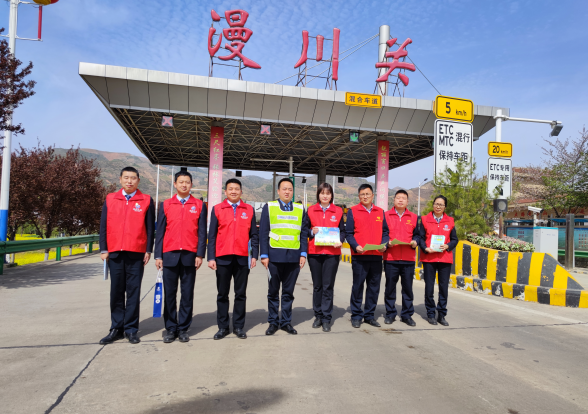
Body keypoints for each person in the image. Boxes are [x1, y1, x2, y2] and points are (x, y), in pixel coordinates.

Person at [99, 167, 155, 345]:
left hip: (136, 253)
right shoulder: (111, 199)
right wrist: (104, 249)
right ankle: (116, 328)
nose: (129, 181)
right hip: (115, 252)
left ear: (138, 180)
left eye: (133, 178)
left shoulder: (146, 200)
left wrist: (148, 250)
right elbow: (103, 225)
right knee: (116, 292)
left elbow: (150, 228)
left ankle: (131, 329)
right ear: (120, 179)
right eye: (126, 178)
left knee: (133, 292)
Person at [154, 170, 207, 343]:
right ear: (175, 184)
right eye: (181, 182)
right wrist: (158, 255)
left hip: (190, 256)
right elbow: (160, 232)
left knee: (187, 294)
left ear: (191, 184)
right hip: (169, 255)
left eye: (187, 182)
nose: (184, 185)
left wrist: (200, 254)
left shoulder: (199, 205)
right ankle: (171, 328)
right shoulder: (166, 204)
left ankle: (183, 328)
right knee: (170, 294)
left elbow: (202, 232)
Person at [208, 178, 259, 340]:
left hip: (243, 258)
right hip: (222, 257)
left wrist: (254, 255)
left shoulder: (249, 209)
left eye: (237, 189)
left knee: (240, 294)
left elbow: (254, 235)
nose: (234, 191)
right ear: (225, 191)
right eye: (230, 189)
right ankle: (223, 327)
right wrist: (211, 257)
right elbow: (212, 235)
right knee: (222, 294)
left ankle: (238, 326)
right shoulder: (217, 209)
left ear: (241, 191)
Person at [259, 178, 309, 335]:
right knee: (273, 292)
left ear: (293, 192)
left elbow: (303, 233)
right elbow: (263, 232)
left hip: (293, 258)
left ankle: (286, 322)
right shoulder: (270, 207)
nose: (287, 192)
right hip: (274, 257)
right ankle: (273, 322)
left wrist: (303, 254)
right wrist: (264, 255)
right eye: (284, 189)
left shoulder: (300, 209)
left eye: (290, 189)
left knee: (288, 293)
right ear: (278, 191)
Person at [302, 182, 345, 332]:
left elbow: (342, 231)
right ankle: (318, 315)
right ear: (318, 195)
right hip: (314, 253)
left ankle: (327, 317)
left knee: (328, 286)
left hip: (332, 254)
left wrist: (341, 240)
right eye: (322, 193)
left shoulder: (338, 211)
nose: (325, 196)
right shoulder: (310, 210)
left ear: (331, 195)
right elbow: (304, 230)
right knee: (317, 286)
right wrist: (311, 232)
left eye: (328, 193)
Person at [345, 184, 389, 328]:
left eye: (367, 194)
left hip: (376, 255)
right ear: (359, 196)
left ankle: (369, 315)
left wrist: (384, 244)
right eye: (362, 194)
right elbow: (349, 233)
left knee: (374, 287)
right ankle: (356, 316)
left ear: (372, 195)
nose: (365, 196)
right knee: (358, 286)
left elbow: (385, 232)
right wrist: (355, 246)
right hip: (359, 255)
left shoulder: (380, 212)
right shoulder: (353, 211)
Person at [418, 195, 458, 326]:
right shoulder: (425, 219)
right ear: (433, 205)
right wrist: (425, 248)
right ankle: (430, 313)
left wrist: (448, 246)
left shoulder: (450, 221)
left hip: (444, 258)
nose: (438, 206)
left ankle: (441, 314)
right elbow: (421, 238)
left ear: (445, 207)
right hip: (429, 258)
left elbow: (454, 239)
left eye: (441, 204)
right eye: (436, 204)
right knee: (429, 287)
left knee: (443, 288)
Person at [382, 189, 419, 327]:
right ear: (394, 200)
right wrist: (387, 242)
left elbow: (417, 235)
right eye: (398, 197)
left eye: (403, 198)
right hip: (391, 257)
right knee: (390, 287)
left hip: (408, 258)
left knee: (407, 288)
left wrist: (415, 242)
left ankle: (406, 315)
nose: (401, 200)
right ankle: (390, 313)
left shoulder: (414, 217)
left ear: (407, 201)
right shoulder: (386, 215)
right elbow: (383, 233)